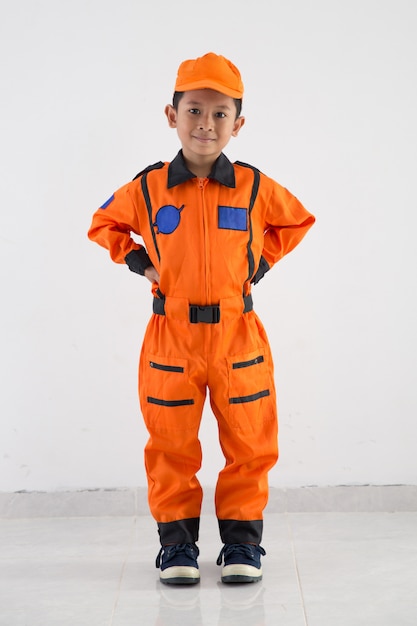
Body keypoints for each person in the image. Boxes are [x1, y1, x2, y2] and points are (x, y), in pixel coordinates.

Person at [88, 52, 315, 585]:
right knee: (170, 445)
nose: (205, 125)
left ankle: (241, 547)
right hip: (172, 337)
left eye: (219, 113)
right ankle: (178, 549)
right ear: (172, 116)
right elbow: (104, 224)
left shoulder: (255, 188)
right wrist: (141, 263)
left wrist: (260, 262)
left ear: (237, 124)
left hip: (239, 337)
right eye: (193, 110)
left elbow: (297, 221)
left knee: (250, 443)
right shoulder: (147, 189)